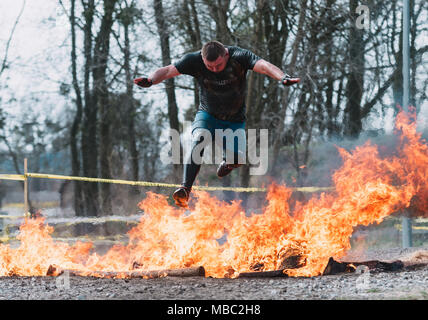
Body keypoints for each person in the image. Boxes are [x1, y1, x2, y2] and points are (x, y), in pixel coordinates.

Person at [134, 41, 299, 208]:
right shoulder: (193, 60)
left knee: (238, 159)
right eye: (209, 66)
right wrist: (150, 79)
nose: (214, 69)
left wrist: (282, 77)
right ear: (203, 59)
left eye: (218, 65)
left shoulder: (239, 56)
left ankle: (228, 163)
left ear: (226, 55)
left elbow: (263, 66)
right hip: (208, 115)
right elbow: (169, 70)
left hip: (234, 120)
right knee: (199, 139)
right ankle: (185, 189)